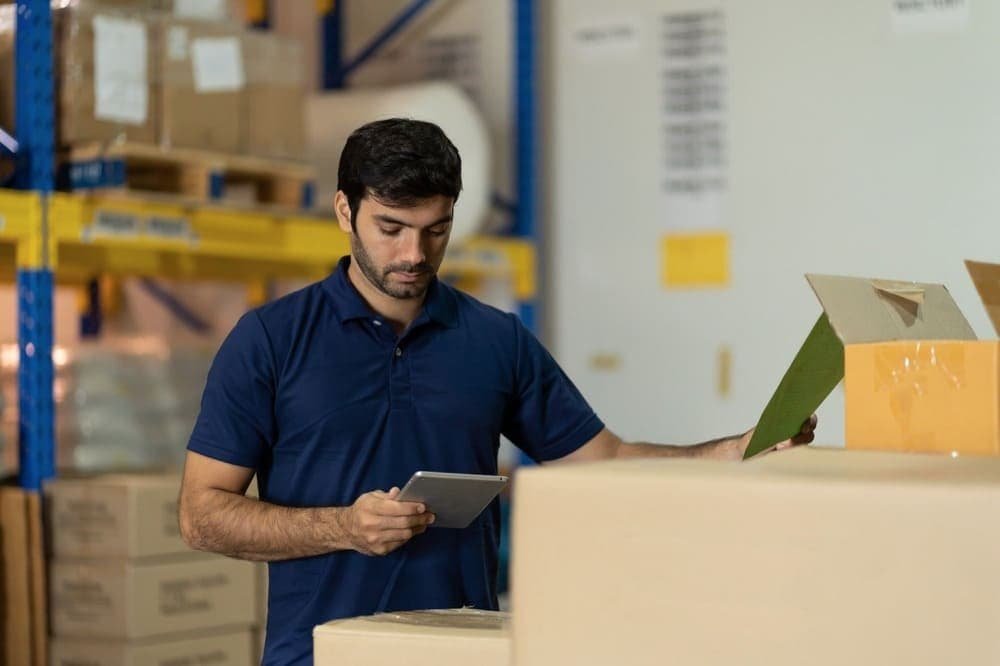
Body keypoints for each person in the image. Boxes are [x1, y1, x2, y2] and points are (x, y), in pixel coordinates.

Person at [178, 118, 815, 665]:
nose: (414, 253)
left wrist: (729, 452)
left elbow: (602, 461)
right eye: (392, 227)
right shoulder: (270, 340)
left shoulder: (493, 339)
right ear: (344, 210)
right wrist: (344, 527)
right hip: (320, 655)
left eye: (436, 230)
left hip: (464, 651)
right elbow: (202, 516)